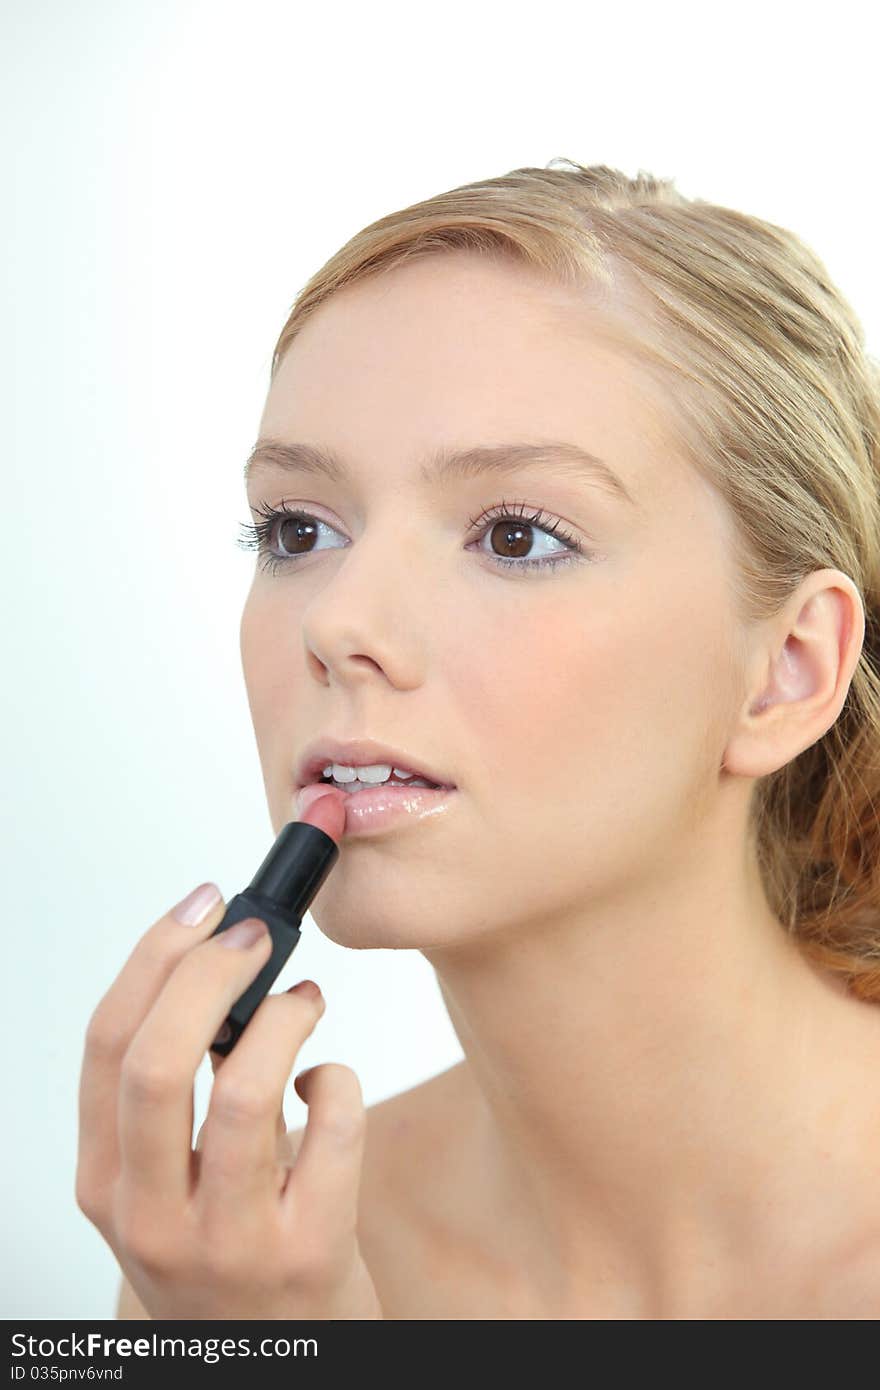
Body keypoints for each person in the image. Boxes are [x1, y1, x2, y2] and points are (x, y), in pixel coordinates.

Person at [77, 160, 880, 1319]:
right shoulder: (250, 1267)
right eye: (296, 527)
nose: (339, 620)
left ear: (787, 671)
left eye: (515, 536)